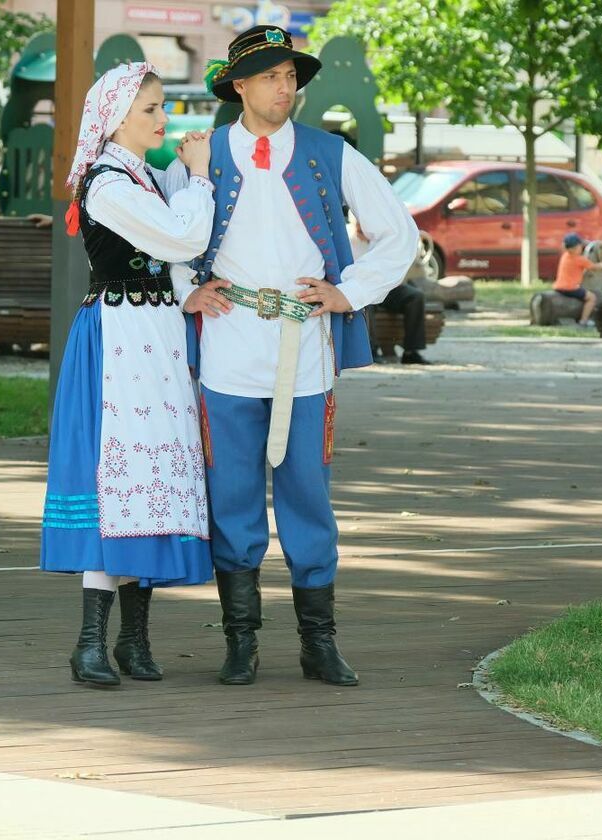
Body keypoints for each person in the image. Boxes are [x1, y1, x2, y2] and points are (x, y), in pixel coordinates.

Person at [173, 26, 418, 687]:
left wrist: (349, 292)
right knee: (232, 495)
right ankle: (240, 645)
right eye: (272, 77)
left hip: (303, 348)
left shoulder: (327, 154)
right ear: (241, 86)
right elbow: (167, 232)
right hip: (228, 347)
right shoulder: (201, 157)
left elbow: (401, 234)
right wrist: (186, 292)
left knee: (309, 494)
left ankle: (319, 644)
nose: (287, 88)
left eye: (291, 77)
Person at [40, 63, 216, 687]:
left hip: (157, 341)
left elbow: (171, 264)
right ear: (116, 118)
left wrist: (188, 293)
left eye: (162, 107)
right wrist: (197, 178)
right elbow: (180, 237)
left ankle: (133, 641)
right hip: (116, 341)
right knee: (114, 481)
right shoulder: (107, 185)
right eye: (152, 109)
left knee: (155, 476)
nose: (163, 118)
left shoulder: (141, 176)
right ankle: (90, 642)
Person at [350, 215, 429, 364]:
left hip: (387, 286)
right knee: (365, 301)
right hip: (363, 288)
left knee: (415, 296)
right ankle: (372, 350)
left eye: (363, 225)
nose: (360, 229)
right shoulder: (348, 241)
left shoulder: (383, 240)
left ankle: (411, 351)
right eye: (357, 225)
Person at [553, 232, 602, 326]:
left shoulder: (565, 255)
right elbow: (594, 267)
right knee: (592, 298)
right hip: (570, 288)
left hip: (558, 286)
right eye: (580, 246)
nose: (582, 248)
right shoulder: (580, 259)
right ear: (575, 248)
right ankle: (584, 321)